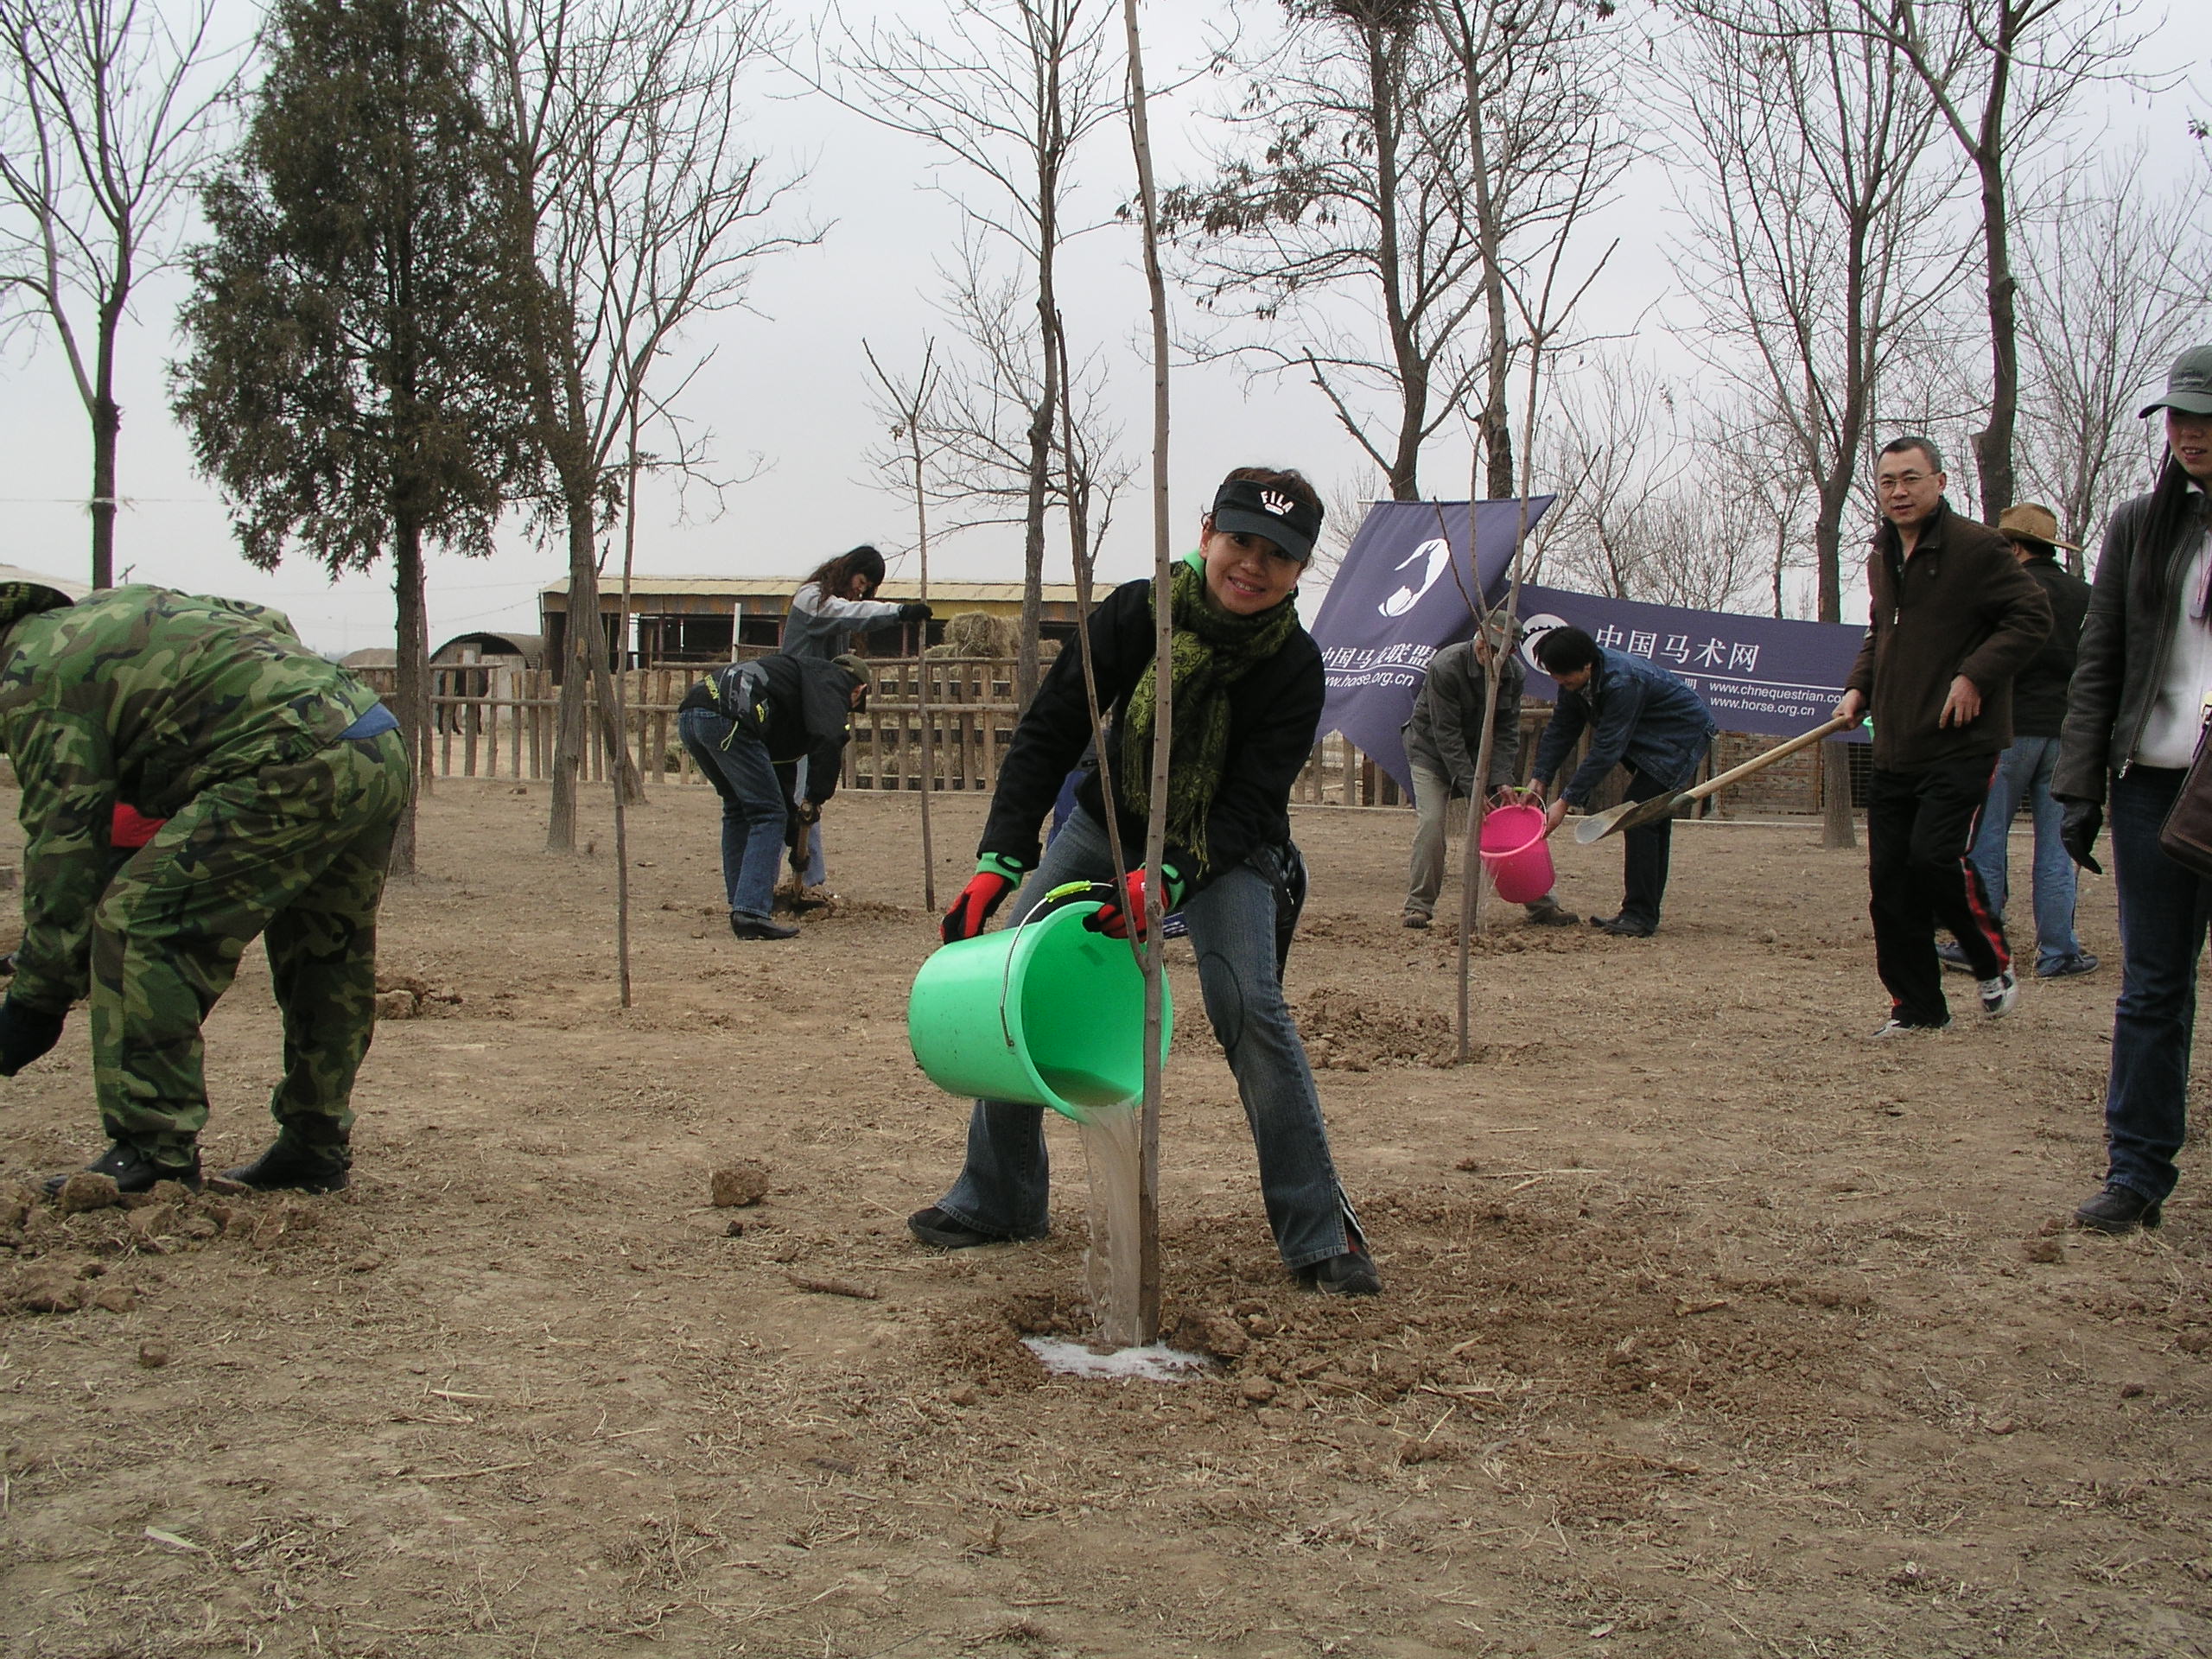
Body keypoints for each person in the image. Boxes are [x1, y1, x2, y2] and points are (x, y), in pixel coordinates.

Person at [909, 467, 1378, 1295]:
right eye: (1241, 541)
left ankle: (1319, 1233)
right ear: (1206, 533)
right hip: (1106, 821)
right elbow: (1052, 725)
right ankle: (1000, 1197)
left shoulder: (1295, 667)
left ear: (1300, 569)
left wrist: (1167, 876)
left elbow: (1248, 802)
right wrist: (999, 859)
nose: (1254, 566)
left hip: (1228, 850)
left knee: (1250, 1009)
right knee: (1012, 979)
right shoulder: (1139, 610)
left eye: (1279, 555)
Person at [0, 582, 410, 1196]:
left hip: (287, 758)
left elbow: (63, 844)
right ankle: (314, 1146)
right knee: (327, 947)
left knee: (139, 924)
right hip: (369, 732)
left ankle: (153, 1151)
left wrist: (34, 1001)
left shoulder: (30, 681)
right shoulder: (113, 612)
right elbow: (269, 618)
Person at [2053, 342, 2212, 1235]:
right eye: (2177, 416)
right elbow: (2099, 659)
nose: (2188, 431)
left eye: (2204, 414)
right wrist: (2079, 785)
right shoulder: (2137, 525)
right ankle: (2137, 1172)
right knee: (2153, 987)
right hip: (2154, 784)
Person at [1834, 436, 2051, 1036]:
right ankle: (1916, 1008)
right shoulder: (1882, 555)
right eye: (1887, 483)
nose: (1899, 492)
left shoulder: (1978, 549)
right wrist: (1859, 688)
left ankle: (1991, 962)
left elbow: (2032, 617)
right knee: (1890, 885)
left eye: (1911, 479)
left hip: (1960, 742)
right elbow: (1882, 634)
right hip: (1895, 746)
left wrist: (1975, 674)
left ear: (1940, 481)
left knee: (1933, 858)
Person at [1936, 504, 2096, 981]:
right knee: (2057, 848)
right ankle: (2058, 951)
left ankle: (1980, 941)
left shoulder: (2005, 592)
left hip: (2007, 733)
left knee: (1985, 841)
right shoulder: (2086, 596)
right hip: (2068, 736)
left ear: (2017, 547)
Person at [1528, 626, 1719, 938]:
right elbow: (1562, 727)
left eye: (1564, 676)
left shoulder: (1624, 681)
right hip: (1646, 737)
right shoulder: (1574, 680)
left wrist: (1566, 800)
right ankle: (1641, 912)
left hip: (1679, 737)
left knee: (1639, 818)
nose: (1559, 682)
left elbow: (1607, 747)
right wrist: (1541, 778)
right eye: (1554, 676)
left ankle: (1639, 915)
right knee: (1651, 819)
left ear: (1587, 665)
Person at [677, 652, 871, 941]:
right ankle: (751, 911)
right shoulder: (832, 680)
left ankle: (742, 899)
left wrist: (795, 822)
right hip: (731, 715)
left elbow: (779, 765)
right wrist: (816, 797)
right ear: (859, 690)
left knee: (739, 807)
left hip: (693, 713)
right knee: (768, 815)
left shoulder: (797, 686)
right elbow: (830, 737)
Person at [1401, 620, 1577, 930]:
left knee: (1513, 822)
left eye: (1498, 647)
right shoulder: (1447, 665)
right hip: (1431, 752)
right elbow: (1447, 735)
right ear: (1477, 637)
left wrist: (1501, 778)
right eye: (1485, 641)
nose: (1487, 649)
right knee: (1432, 822)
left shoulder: (1514, 676)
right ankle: (1419, 906)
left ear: (1510, 651)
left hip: (1480, 756)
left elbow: (1507, 731)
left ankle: (1541, 905)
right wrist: (1472, 787)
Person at [779, 545, 931, 897]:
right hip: (792, 711)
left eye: (867, 588)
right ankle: (772, 882)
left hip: (815, 713)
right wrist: (899, 612)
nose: (861, 591)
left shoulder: (838, 611)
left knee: (810, 797)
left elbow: (838, 662)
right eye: (862, 582)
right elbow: (849, 614)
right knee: (789, 797)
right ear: (847, 570)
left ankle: (809, 882)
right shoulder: (812, 599)